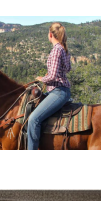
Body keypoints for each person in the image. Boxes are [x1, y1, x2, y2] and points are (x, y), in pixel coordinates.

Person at [28, 22, 71, 150]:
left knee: (33, 120)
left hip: (58, 91)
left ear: (50, 34)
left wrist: (42, 78)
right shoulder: (63, 49)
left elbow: (52, 76)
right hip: (61, 90)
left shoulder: (56, 50)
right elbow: (68, 68)